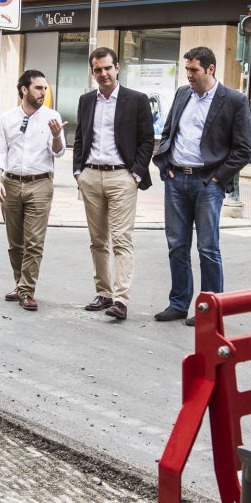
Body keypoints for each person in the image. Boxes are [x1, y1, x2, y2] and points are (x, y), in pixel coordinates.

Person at [152, 46, 251, 326]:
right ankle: (178, 304)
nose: (189, 75)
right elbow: (169, 130)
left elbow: (244, 149)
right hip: (176, 180)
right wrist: (166, 167)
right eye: (187, 70)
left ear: (210, 69)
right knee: (177, 245)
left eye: (193, 70)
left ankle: (211, 309)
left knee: (208, 248)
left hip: (207, 182)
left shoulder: (233, 100)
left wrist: (218, 179)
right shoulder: (183, 94)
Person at [72, 47, 155, 321]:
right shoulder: (86, 101)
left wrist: (136, 175)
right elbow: (81, 138)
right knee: (97, 240)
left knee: (121, 239)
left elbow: (146, 140)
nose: (103, 73)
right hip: (91, 176)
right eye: (98, 69)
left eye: (107, 68)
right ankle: (103, 293)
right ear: (93, 72)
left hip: (122, 176)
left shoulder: (136, 100)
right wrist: (78, 172)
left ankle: (120, 300)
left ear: (117, 68)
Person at [0, 70, 66, 312]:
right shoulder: (7, 118)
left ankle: (26, 290)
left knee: (34, 241)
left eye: (45, 88)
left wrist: (56, 136)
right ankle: (20, 283)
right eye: (38, 88)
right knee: (15, 243)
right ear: (24, 89)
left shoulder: (52, 117)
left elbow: (58, 152)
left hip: (40, 183)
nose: (43, 92)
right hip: (11, 183)